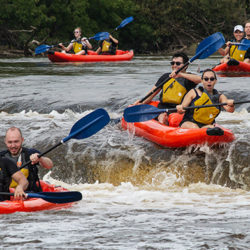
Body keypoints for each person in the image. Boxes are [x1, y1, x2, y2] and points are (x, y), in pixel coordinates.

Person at [133, 52, 201, 124]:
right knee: (162, 115)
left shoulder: (188, 78)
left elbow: (201, 79)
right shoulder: (166, 77)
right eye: (172, 63)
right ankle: (161, 126)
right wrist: (141, 102)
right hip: (163, 107)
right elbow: (151, 94)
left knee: (166, 116)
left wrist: (180, 74)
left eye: (178, 63)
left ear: (185, 66)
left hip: (179, 109)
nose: (174, 65)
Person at [0, 127, 53, 192]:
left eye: (16, 141)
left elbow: (49, 165)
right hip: (7, 196)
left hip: (29, 195)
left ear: (22, 140)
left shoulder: (30, 153)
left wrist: (40, 159)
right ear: (5, 141)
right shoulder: (1, 156)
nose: (13, 145)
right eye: (10, 142)